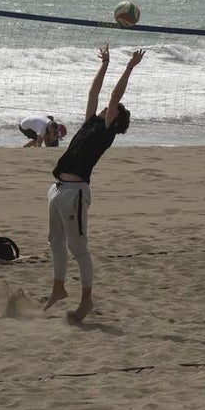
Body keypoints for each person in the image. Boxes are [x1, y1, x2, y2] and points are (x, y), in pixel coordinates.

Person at [44, 43, 145, 322]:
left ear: (115, 118)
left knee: (78, 248)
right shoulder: (90, 122)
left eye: (112, 109)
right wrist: (104, 64)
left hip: (75, 191)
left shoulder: (107, 130)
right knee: (55, 241)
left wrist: (128, 67)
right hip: (58, 188)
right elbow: (94, 92)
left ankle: (86, 300)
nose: (105, 108)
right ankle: (59, 289)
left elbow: (114, 95)